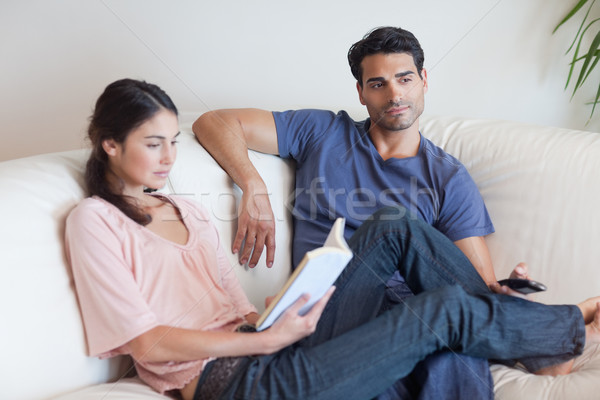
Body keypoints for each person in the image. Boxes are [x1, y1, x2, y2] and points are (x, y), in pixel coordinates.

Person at [65, 78, 600, 400]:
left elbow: (234, 307)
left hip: (273, 347)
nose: (169, 159)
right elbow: (148, 343)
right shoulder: (95, 220)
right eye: (152, 144)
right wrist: (259, 342)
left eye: (172, 143)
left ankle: (537, 336)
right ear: (110, 145)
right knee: (444, 313)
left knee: (393, 224)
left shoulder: (187, 209)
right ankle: (563, 330)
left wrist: (272, 315)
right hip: (234, 383)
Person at [192, 26, 526, 398]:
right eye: (379, 83)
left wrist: (505, 297)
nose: (396, 93)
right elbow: (215, 122)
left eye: (405, 78)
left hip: (407, 315)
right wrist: (253, 185)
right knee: (396, 231)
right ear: (362, 93)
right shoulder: (322, 131)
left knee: (448, 347)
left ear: (424, 80)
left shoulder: (448, 177)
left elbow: (474, 282)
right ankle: (542, 337)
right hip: (331, 310)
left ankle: (530, 335)